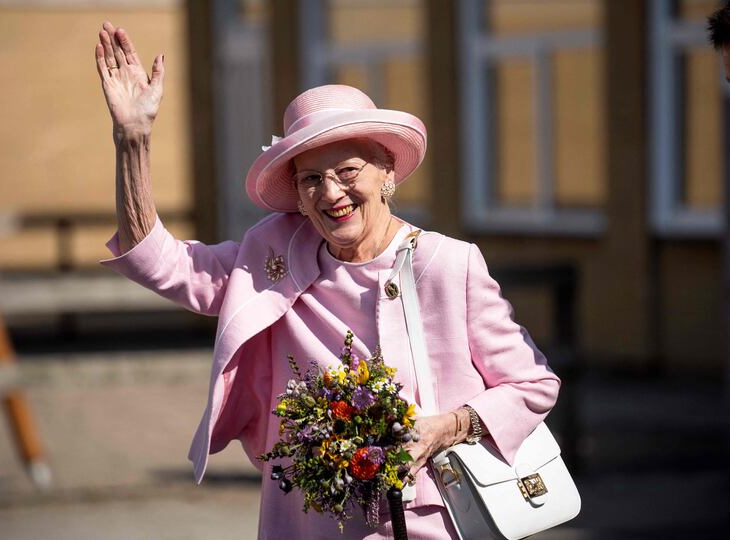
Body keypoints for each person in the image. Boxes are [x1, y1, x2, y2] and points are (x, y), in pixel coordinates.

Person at [94, 21, 560, 539]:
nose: (330, 192)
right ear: (296, 194)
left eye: (347, 170)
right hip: (305, 522)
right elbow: (161, 263)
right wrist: (132, 141)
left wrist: (444, 428)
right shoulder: (270, 257)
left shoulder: (448, 264)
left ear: (387, 171)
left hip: (427, 522)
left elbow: (533, 385)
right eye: (311, 178)